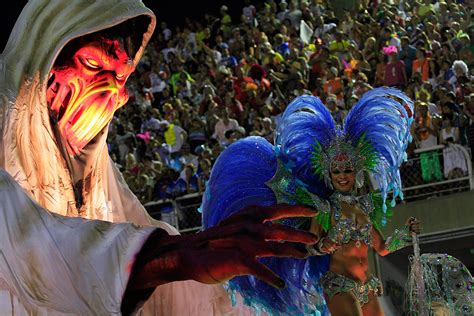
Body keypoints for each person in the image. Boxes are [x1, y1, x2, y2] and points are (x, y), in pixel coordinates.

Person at [0, 1, 319, 314]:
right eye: (94, 66)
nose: (113, 90)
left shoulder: (94, 173)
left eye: (122, 77)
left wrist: (243, 276)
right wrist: (170, 258)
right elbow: (27, 242)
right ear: (44, 57)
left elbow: (154, 256)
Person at [202, 88, 421, 315]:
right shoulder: (323, 207)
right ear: (329, 175)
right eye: (336, 171)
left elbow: (383, 249)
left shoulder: (365, 206)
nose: (342, 175)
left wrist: (406, 233)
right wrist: (324, 245)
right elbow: (310, 247)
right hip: (340, 286)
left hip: (367, 284)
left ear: (356, 172)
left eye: (347, 170)